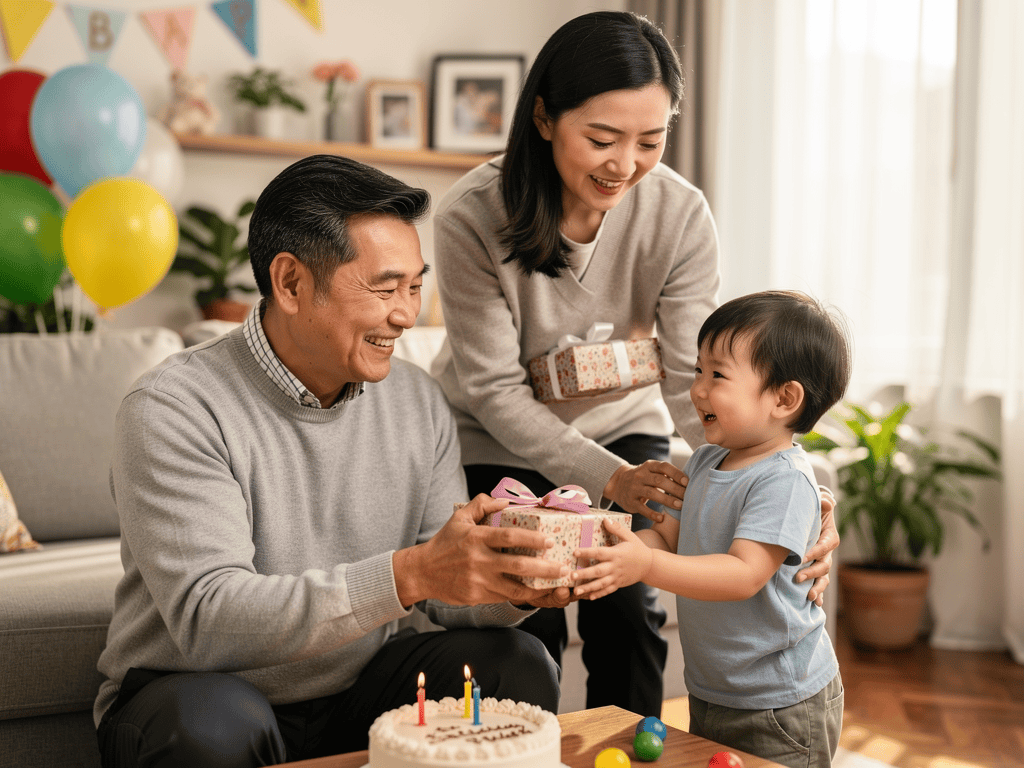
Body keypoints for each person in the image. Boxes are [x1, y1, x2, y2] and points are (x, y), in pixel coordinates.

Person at [430, 10, 839, 716]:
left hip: (624, 428)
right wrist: (610, 478)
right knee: (526, 609)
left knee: (627, 606)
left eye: (650, 141)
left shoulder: (680, 214)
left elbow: (693, 377)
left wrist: (787, 487)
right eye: (601, 139)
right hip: (494, 437)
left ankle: (632, 751)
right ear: (544, 117)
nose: (624, 165)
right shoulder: (471, 214)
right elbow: (495, 390)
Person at [94, 155, 566, 768]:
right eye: (385, 288)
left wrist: (519, 583)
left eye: (415, 286)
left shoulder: (417, 400)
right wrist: (409, 574)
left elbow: (445, 593)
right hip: (195, 693)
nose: (407, 314)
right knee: (213, 729)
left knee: (517, 664)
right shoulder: (173, 407)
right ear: (291, 283)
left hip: (356, 692)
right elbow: (209, 620)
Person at [572, 290, 851, 768]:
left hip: (780, 705)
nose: (697, 389)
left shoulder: (784, 481)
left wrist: (645, 564)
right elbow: (670, 538)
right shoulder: (706, 459)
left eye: (717, 375)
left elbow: (743, 574)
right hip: (714, 693)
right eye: (698, 370)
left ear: (784, 398)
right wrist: (615, 551)